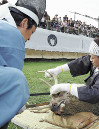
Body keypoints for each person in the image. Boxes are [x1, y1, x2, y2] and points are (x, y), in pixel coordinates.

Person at [0, 0, 46, 128]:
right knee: (17, 79)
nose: (29, 38)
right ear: (24, 22)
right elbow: (13, 87)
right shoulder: (13, 34)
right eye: (32, 32)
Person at [45, 37, 99, 104]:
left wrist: (66, 87)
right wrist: (57, 70)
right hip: (90, 87)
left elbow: (94, 94)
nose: (90, 59)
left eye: (92, 57)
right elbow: (79, 63)